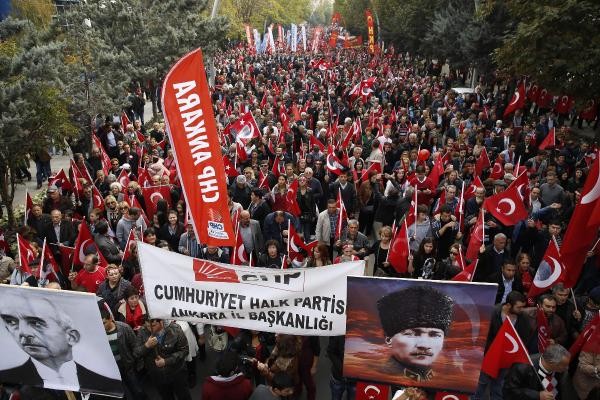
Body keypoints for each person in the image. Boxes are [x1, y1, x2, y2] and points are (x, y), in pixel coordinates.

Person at [0, 289, 121, 393]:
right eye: (12, 322)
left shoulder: (105, 384)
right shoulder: (11, 382)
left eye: (36, 323)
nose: (23, 332)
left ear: (71, 337)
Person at [376, 285, 454, 381]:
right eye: (411, 334)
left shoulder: (443, 380)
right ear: (388, 339)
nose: (424, 345)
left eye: (434, 335)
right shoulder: (378, 377)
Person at [135, 318, 192, 400]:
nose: (150, 329)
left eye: (153, 325)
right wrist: (146, 346)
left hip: (176, 372)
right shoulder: (142, 331)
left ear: (161, 322)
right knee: (166, 397)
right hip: (157, 375)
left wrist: (166, 361)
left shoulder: (175, 329)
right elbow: (136, 353)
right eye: (147, 326)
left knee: (183, 396)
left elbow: (184, 350)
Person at [99, 302, 147, 399]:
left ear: (110, 319)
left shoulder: (124, 328)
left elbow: (134, 346)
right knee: (120, 394)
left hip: (127, 366)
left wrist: (138, 364)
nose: (102, 326)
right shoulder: (98, 333)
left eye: (104, 323)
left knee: (137, 390)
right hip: (113, 369)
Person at [503, 344, 570, 400]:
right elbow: (509, 391)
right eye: (564, 365)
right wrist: (537, 395)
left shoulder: (559, 371)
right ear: (552, 363)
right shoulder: (522, 367)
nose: (567, 368)